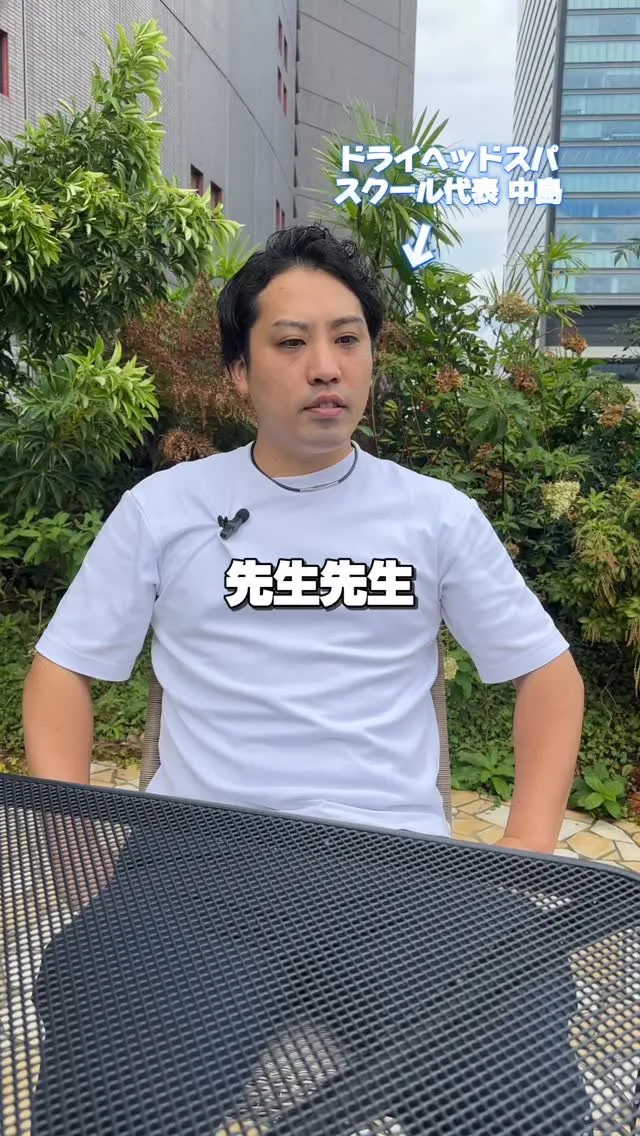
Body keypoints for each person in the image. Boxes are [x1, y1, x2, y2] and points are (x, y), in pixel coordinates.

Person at [23, 224, 591, 1134]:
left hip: (400, 872)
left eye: (347, 338)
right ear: (239, 374)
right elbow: (63, 668)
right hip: (197, 866)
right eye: (290, 343)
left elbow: (548, 677)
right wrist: (75, 842)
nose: (325, 366)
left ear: (370, 357)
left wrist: (520, 856)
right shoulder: (166, 510)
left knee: (518, 1088)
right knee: (113, 1098)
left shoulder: (434, 517)